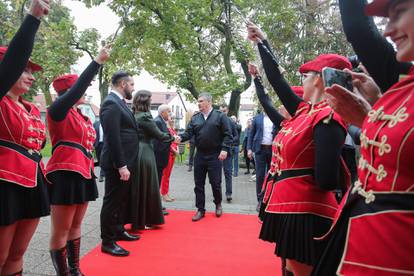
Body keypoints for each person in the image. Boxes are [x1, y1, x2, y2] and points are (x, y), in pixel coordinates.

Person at [313, 1, 414, 274]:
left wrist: (367, 118)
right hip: (363, 245)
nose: (388, 31)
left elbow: (359, 28)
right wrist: (373, 109)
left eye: (400, 13)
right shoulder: (404, 84)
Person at [248, 23, 351, 276]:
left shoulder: (328, 116)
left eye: (305, 76)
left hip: (306, 208)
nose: (301, 81)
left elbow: (327, 179)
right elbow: (277, 80)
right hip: (291, 204)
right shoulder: (307, 111)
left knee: (301, 271)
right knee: (290, 270)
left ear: (318, 79)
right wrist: (262, 42)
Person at [46, 46, 110, 275]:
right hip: (65, 172)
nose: (85, 92)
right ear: (69, 91)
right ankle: (64, 273)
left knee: (76, 225)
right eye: (80, 89)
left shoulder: (81, 116)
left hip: (83, 171)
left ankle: (75, 270)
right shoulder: (58, 110)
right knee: (61, 229)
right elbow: (77, 90)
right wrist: (96, 63)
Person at [0, 2, 50, 275]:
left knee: (18, 253)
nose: (31, 76)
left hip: (32, 180)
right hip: (5, 184)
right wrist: (33, 18)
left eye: (32, 72)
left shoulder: (30, 108)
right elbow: (15, 58)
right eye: (25, 70)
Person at [99, 71, 140, 257]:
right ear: (122, 84)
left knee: (121, 200)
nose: (133, 88)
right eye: (131, 84)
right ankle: (107, 241)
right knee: (112, 201)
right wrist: (121, 165)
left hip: (126, 162)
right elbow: (113, 137)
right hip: (118, 163)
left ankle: (118, 230)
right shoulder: (111, 103)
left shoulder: (120, 103)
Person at [177, 93, 233, 221]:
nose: (199, 103)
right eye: (198, 101)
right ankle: (200, 209)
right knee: (198, 184)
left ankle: (218, 204)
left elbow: (228, 135)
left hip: (215, 155)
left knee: (215, 183)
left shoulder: (220, 116)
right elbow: (188, 132)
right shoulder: (196, 118)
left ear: (209, 102)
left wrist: (224, 149)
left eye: (201, 101)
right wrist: (180, 137)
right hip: (200, 155)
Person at [130, 90, 174, 231]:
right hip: (146, 152)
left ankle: (140, 219)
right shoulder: (145, 116)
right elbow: (159, 135)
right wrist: (173, 137)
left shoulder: (134, 114)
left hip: (137, 150)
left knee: (140, 186)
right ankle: (145, 220)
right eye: (149, 100)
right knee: (148, 186)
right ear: (146, 101)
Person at [247, 110, 274, 211]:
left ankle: (270, 199)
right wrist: (249, 149)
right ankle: (260, 200)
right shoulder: (257, 118)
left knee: (272, 175)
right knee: (260, 176)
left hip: (272, 149)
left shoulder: (274, 116)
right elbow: (251, 134)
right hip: (260, 150)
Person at [153, 104, 173, 215]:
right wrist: (171, 140)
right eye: (168, 112)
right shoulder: (158, 122)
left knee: (158, 182)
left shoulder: (162, 122)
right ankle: (156, 206)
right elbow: (158, 142)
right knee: (156, 183)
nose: (169, 114)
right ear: (162, 112)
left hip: (161, 158)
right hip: (158, 158)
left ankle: (158, 205)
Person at [219, 103, 239, 203]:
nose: (222, 113)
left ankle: (228, 194)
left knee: (228, 174)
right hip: (216, 152)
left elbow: (236, 136)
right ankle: (217, 194)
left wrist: (228, 141)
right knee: (216, 175)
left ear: (227, 111)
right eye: (221, 111)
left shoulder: (231, 122)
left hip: (228, 152)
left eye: (224, 111)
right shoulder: (215, 121)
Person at [160, 114, 179, 202]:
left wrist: (177, 149)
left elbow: (176, 142)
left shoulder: (172, 129)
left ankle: (166, 193)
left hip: (173, 154)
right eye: (171, 118)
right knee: (165, 175)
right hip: (168, 153)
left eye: (174, 118)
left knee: (168, 175)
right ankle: (164, 194)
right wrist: (174, 150)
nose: (173, 120)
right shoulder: (166, 129)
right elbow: (167, 142)